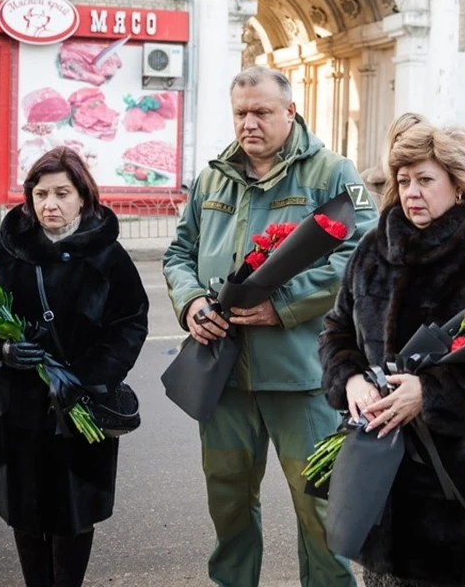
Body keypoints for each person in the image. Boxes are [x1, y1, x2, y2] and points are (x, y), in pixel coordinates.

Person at [162, 66, 376, 587]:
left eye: (261, 111)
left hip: (300, 376)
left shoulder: (330, 172)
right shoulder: (214, 177)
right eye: (241, 113)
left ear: (290, 112)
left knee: (319, 508)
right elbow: (178, 253)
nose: (249, 123)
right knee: (228, 501)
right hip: (225, 378)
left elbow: (362, 256)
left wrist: (282, 305)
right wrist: (191, 303)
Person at [319, 124, 465, 586]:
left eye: (425, 180)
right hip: (379, 467)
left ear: (458, 184)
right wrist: (350, 380)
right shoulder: (372, 247)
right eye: (403, 181)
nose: (411, 193)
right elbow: (336, 329)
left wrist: (431, 394)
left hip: (456, 478)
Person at [0, 147, 149, 587]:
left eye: (62, 192)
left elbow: (131, 322)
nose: (50, 204)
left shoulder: (108, 256)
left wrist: (87, 377)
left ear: (83, 196)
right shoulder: (6, 251)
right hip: (15, 405)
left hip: (80, 405)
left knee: (74, 511)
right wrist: (0, 354)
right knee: (25, 512)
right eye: (40, 194)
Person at [360, 112, 430, 205]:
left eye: (414, 140)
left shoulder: (436, 181)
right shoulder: (365, 181)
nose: (406, 145)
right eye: (399, 138)